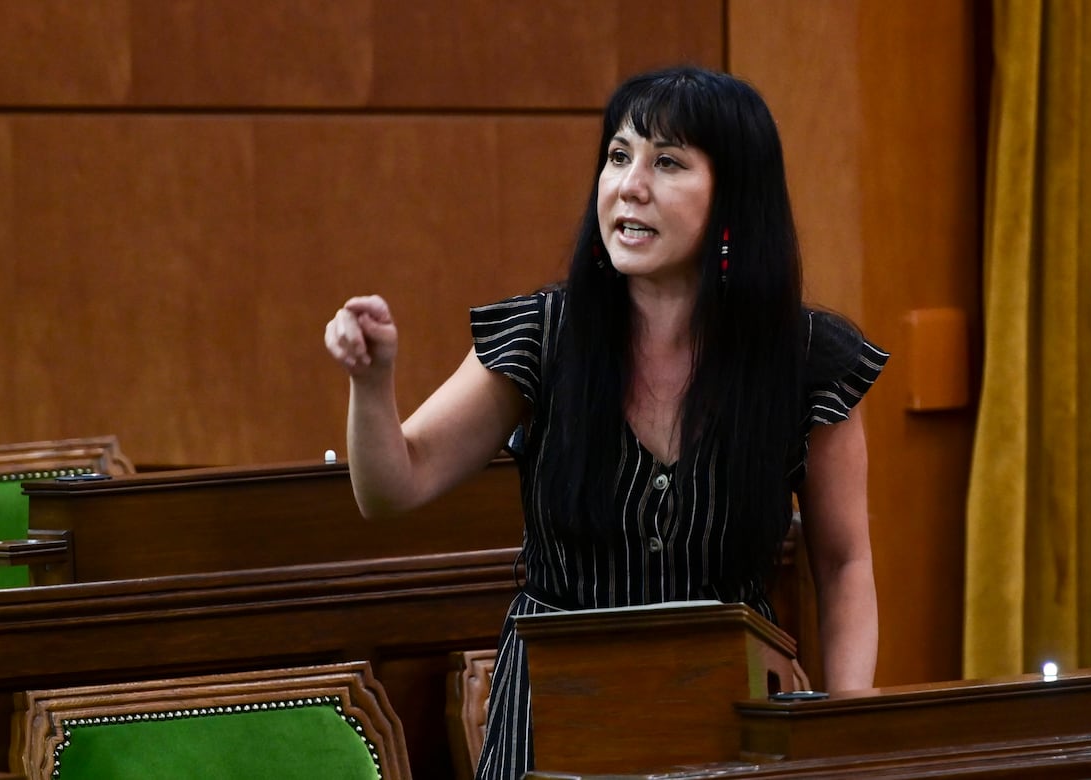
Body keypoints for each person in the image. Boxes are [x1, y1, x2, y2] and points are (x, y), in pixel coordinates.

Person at [324, 65, 889, 780]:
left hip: (729, 710)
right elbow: (393, 486)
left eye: (669, 162)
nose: (630, 185)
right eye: (619, 156)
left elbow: (844, 564)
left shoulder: (807, 359)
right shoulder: (544, 335)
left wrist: (845, 730)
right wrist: (371, 384)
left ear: (733, 200)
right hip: (553, 719)